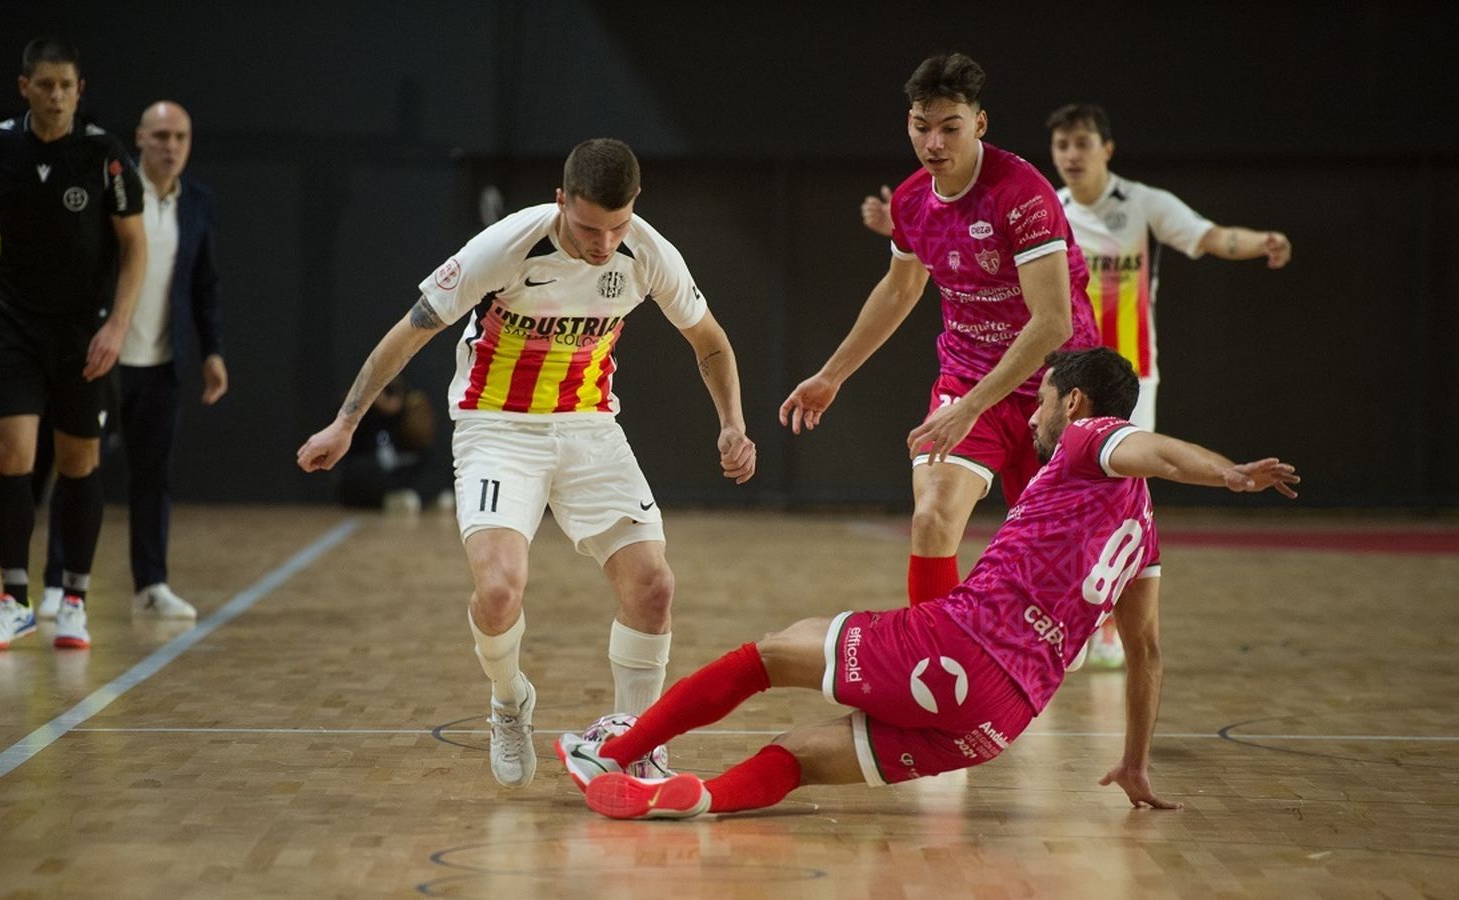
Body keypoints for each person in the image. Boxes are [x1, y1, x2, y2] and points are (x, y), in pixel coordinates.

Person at [557, 347, 1300, 819]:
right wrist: (1134, 760)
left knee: (773, 654)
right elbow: (1147, 654)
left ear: (1074, 403)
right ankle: (701, 799)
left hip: (961, 642)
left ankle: (616, 753)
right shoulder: (1143, 535)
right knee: (802, 756)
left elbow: (1156, 451)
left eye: (1041, 400)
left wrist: (1227, 473)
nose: (1033, 419)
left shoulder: (1086, 438)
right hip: (1002, 717)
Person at [298, 138, 757, 789]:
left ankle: (637, 742)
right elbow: (412, 330)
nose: (604, 244)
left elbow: (709, 340)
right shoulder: (507, 246)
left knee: (653, 586)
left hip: (588, 424)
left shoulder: (648, 252)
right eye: (590, 228)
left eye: (617, 227)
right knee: (498, 592)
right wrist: (346, 422)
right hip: (496, 425)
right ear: (561, 200)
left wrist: (733, 423)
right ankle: (509, 698)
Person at [784, 53, 1100, 610]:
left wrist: (973, 406)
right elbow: (900, 289)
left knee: (1055, 559)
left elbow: (1053, 322)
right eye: (920, 126)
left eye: (949, 128)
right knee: (930, 518)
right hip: (967, 377)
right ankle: (933, 654)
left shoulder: (1021, 194)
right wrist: (832, 375)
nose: (933, 143)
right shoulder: (911, 200)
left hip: (1056, 386)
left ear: (979, 123)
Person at [0, 37, 147, 650]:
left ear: (79, 91)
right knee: (12, 454)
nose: (56, 96)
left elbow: (135, 247)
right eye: (45, 85)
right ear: (25, 88)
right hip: (13, 324)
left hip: (83, 330)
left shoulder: (104, 154)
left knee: (78, 461)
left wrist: (116, 326)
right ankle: (15, 599)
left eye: (66, 86)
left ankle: (75, 599)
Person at [35, 100, 225, 622]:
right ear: (139, 139)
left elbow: (204, 285)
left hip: (163, 364)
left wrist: (212, 351)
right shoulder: (113, 192)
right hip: (104, 358)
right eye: (161, 136)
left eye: (181, 137)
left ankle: (151, 584)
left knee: (153, 477)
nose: (171, 147)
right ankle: (57, 583)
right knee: (78, 470)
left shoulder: (198, 203)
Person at [1045, 103, 1292, 432]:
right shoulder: (1050, 210)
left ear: (1107, 149)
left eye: (1082, 143)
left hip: (1132, 373)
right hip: (1069, 374)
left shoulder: (1143, 203)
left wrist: (1262, 242)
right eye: (1062, 145)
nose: (1072, 156)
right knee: (1066, 464)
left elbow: (1212, 236)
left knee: (1129, 464)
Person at [332, 376, 439, 513]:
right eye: (384, 389)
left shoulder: (412, 405)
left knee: (434, 472)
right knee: (359, 472)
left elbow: (424, 447)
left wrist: (402, 410)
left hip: (402, 473)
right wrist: (368, 404)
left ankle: (416, 498)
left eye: (392, 389)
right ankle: (391, 499)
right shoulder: (362, 409)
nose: (388, 395)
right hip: (374, 476)